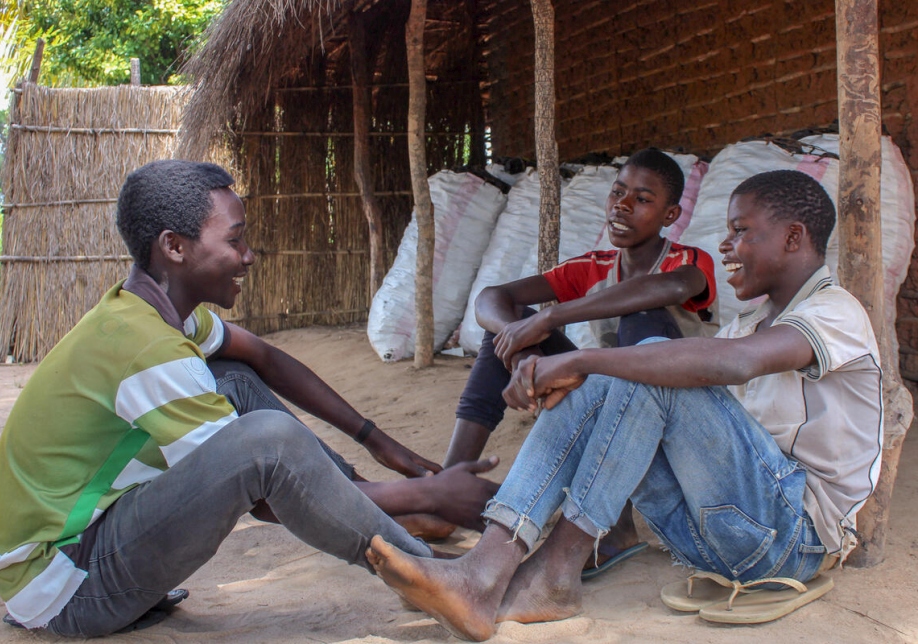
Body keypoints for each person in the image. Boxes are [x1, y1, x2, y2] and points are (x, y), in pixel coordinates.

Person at [0, 160, 499, 637]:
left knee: (231, 374)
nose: (249, 256)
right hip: (67, 583)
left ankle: (390, 523)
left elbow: (264, 358)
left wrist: (382, 446)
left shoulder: (154, 313)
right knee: (266, 444)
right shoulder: (148, 350)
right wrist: (426, 493)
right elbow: (269, 492)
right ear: (175, 247)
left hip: (79, 543)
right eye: (235, 240)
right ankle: (428, 572)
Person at [367, 169, 882, 641]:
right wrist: (583, 371)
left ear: (794, 237)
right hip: (709, 536)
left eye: (741, 231)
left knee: (646, 360)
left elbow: (736, 364)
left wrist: (584, 359)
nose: (725, 245)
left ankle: (553, 569)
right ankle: (487, 568)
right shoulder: (746, 323)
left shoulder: (835, 312)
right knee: (622, 377)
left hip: (793, 541)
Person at [444, 148, 718, 575]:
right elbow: (491, 298)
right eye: (617, 192)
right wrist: (525, 353)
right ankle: (448, 485)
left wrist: (552, 316)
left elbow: (666, 289)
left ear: (670, 216)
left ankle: (619, 526)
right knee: (508, 325)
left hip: (673, 414)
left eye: (642, 199)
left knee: (638, 324)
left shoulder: (688, 261)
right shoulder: (595, 266)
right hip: (612, 399)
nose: (622, 206)